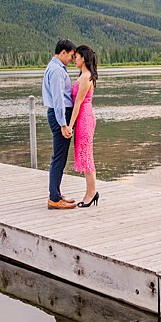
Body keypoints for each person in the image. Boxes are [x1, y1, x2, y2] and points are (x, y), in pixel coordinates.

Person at [42, 39, 78, 210]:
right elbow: (58, 100)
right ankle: (54, 198)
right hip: (60, 116)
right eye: (71, 55)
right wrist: (63, 124)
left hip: (59, 116)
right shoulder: (57, 71)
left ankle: (56, 194)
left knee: (60, 157)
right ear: (63, 52)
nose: (71, 59)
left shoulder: (55, 67)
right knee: (59, 157)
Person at [69, 45, 102, 208]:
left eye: (76, 56)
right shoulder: (85, 75)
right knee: (86, 155)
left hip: (84, 118)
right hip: (85, 117)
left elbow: (78, 104)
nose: (74, 59)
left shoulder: (85, 77)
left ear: (83, 58)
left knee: (87, 156)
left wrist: (70, 125)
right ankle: (90, 192)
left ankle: (91, 193)